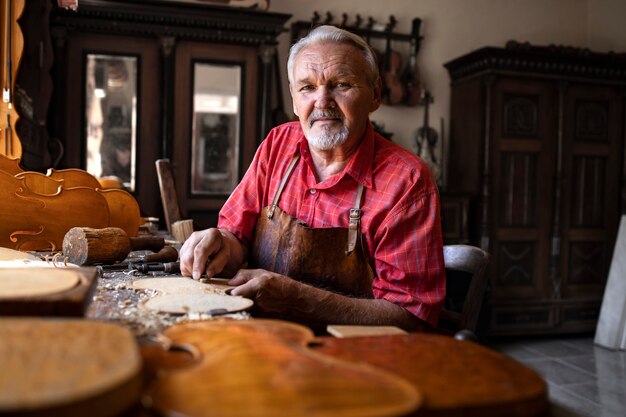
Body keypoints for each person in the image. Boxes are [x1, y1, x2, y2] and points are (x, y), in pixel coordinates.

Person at [180, 25, 445, 331]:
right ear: (294, 100)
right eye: (307, 87)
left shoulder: (407, 182)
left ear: (374, 95)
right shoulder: (278, 144)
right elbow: (236, 236)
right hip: (261, 338)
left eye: (341, 84)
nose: (322, 101)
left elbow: (412, 318)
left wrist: (296, 298)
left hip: (354, 356)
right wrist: (219, 245)